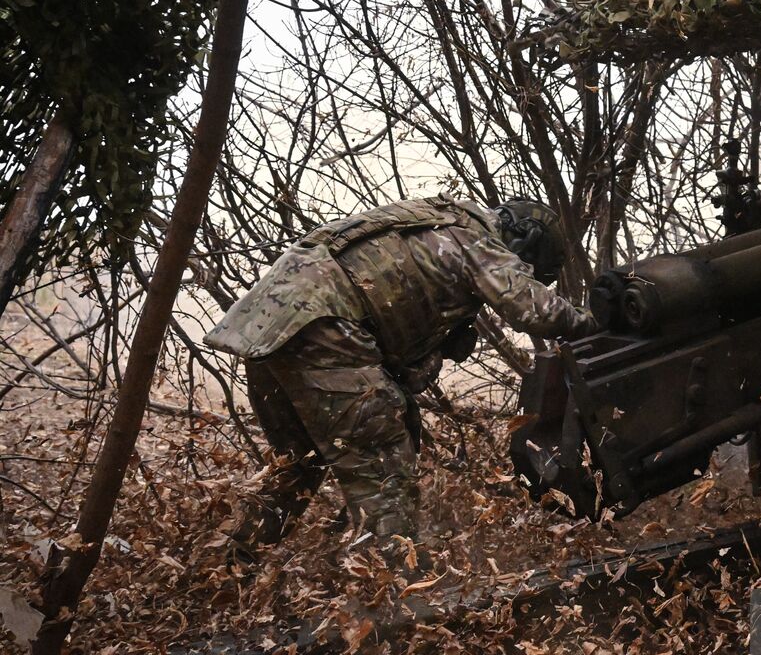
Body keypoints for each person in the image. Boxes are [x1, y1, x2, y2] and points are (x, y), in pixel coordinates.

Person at [204, 194, 597, 558]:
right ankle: (384, 602)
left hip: (268, 328)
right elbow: (537, 311)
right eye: (529, 268)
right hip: (323, 323)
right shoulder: (475, 238)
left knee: (298, 464)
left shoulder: (436, 224)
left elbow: (396, 356)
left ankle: (223, 568)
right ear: (524, 240)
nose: (524, 273)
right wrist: (600, 324)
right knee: (385, 467)